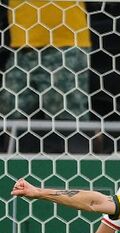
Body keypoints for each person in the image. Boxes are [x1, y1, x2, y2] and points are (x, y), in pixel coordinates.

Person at [0, 0, 93, 152]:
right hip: (22, 44)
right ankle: (13, 166)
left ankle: (78, 168)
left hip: (65, 42)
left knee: (67, 113)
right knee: (10, 110)